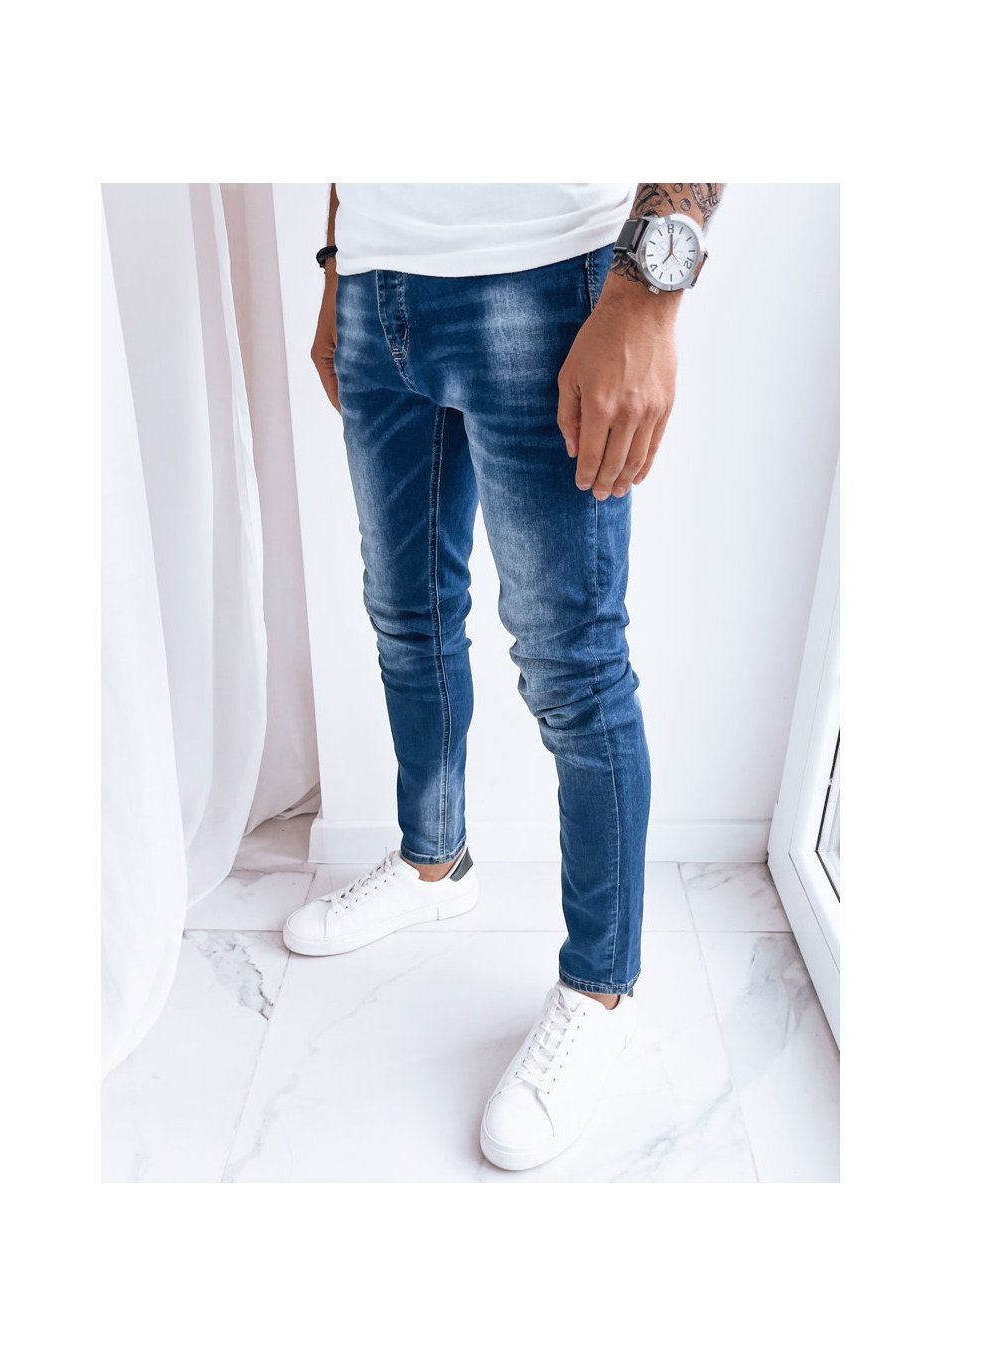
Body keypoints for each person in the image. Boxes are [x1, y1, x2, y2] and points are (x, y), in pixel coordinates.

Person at [284, 183, 725, 1171]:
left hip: (546, 271)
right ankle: (432, 863)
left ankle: (600, 989)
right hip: (375, 284)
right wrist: (337, 265)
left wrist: (648, 295)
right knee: (407, 613)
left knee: (573, 666)